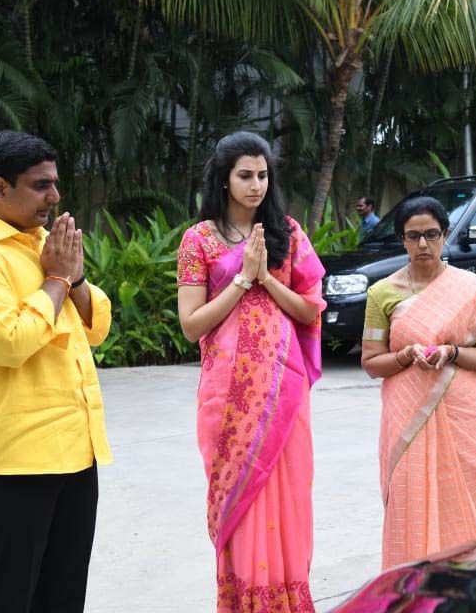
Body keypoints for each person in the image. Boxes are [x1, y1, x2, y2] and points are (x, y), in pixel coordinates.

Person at [0, 131, 113, 613]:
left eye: (55, 183)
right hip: (3, 462)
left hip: (73, 452)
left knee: (63, 598)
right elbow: (10, 342)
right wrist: (55, 279)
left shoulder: (45, 243)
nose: (54, 196)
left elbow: (95, 327)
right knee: (8, 600)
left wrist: (72, 278)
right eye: (40, 185)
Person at [176, 132, 326, 612]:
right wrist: (242, 280)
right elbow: (191, 324)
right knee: (240, 505)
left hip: (284, 390)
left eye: (263, 175)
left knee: (289, 500)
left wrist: (265, 279)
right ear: (223, 179)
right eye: (245, 175)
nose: (256, 185)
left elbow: (309, 310)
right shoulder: (198, 240)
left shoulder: (287, 232)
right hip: (228, 396)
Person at [360, 196, 476, 569]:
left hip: (467, 412)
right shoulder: (382, 293)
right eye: (413, 236)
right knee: (410, 496)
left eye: (431, 235)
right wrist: (406, 356)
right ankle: (419, 592)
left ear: (445, 236)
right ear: (402, 240)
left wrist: (451, 352)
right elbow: (371, 362)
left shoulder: (472, 290)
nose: (423, 245)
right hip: (407, 416)